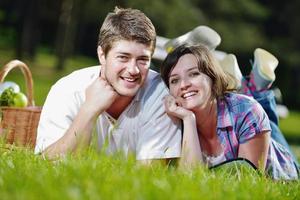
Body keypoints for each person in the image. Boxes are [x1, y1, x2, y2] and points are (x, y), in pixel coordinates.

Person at [35, 7, 182, 163]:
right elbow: (46, 163)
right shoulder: (67, 89)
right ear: (102, 55)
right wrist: (88, 111)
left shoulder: (161, 94)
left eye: (142, 60)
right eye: (123, 57)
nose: (133, 70)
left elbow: (150, 173)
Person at [160, 44, 299, 179]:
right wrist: (188, 119)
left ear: (213, 78)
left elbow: (247, 182)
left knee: (253, 110)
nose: (183, 85)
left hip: (284, 174)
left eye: (194, 74)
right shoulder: (173, 121)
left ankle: (256, 89)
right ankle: (253, 87)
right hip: (239, 112)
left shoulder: (247, 110)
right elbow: (189, 180)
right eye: (174, 80)